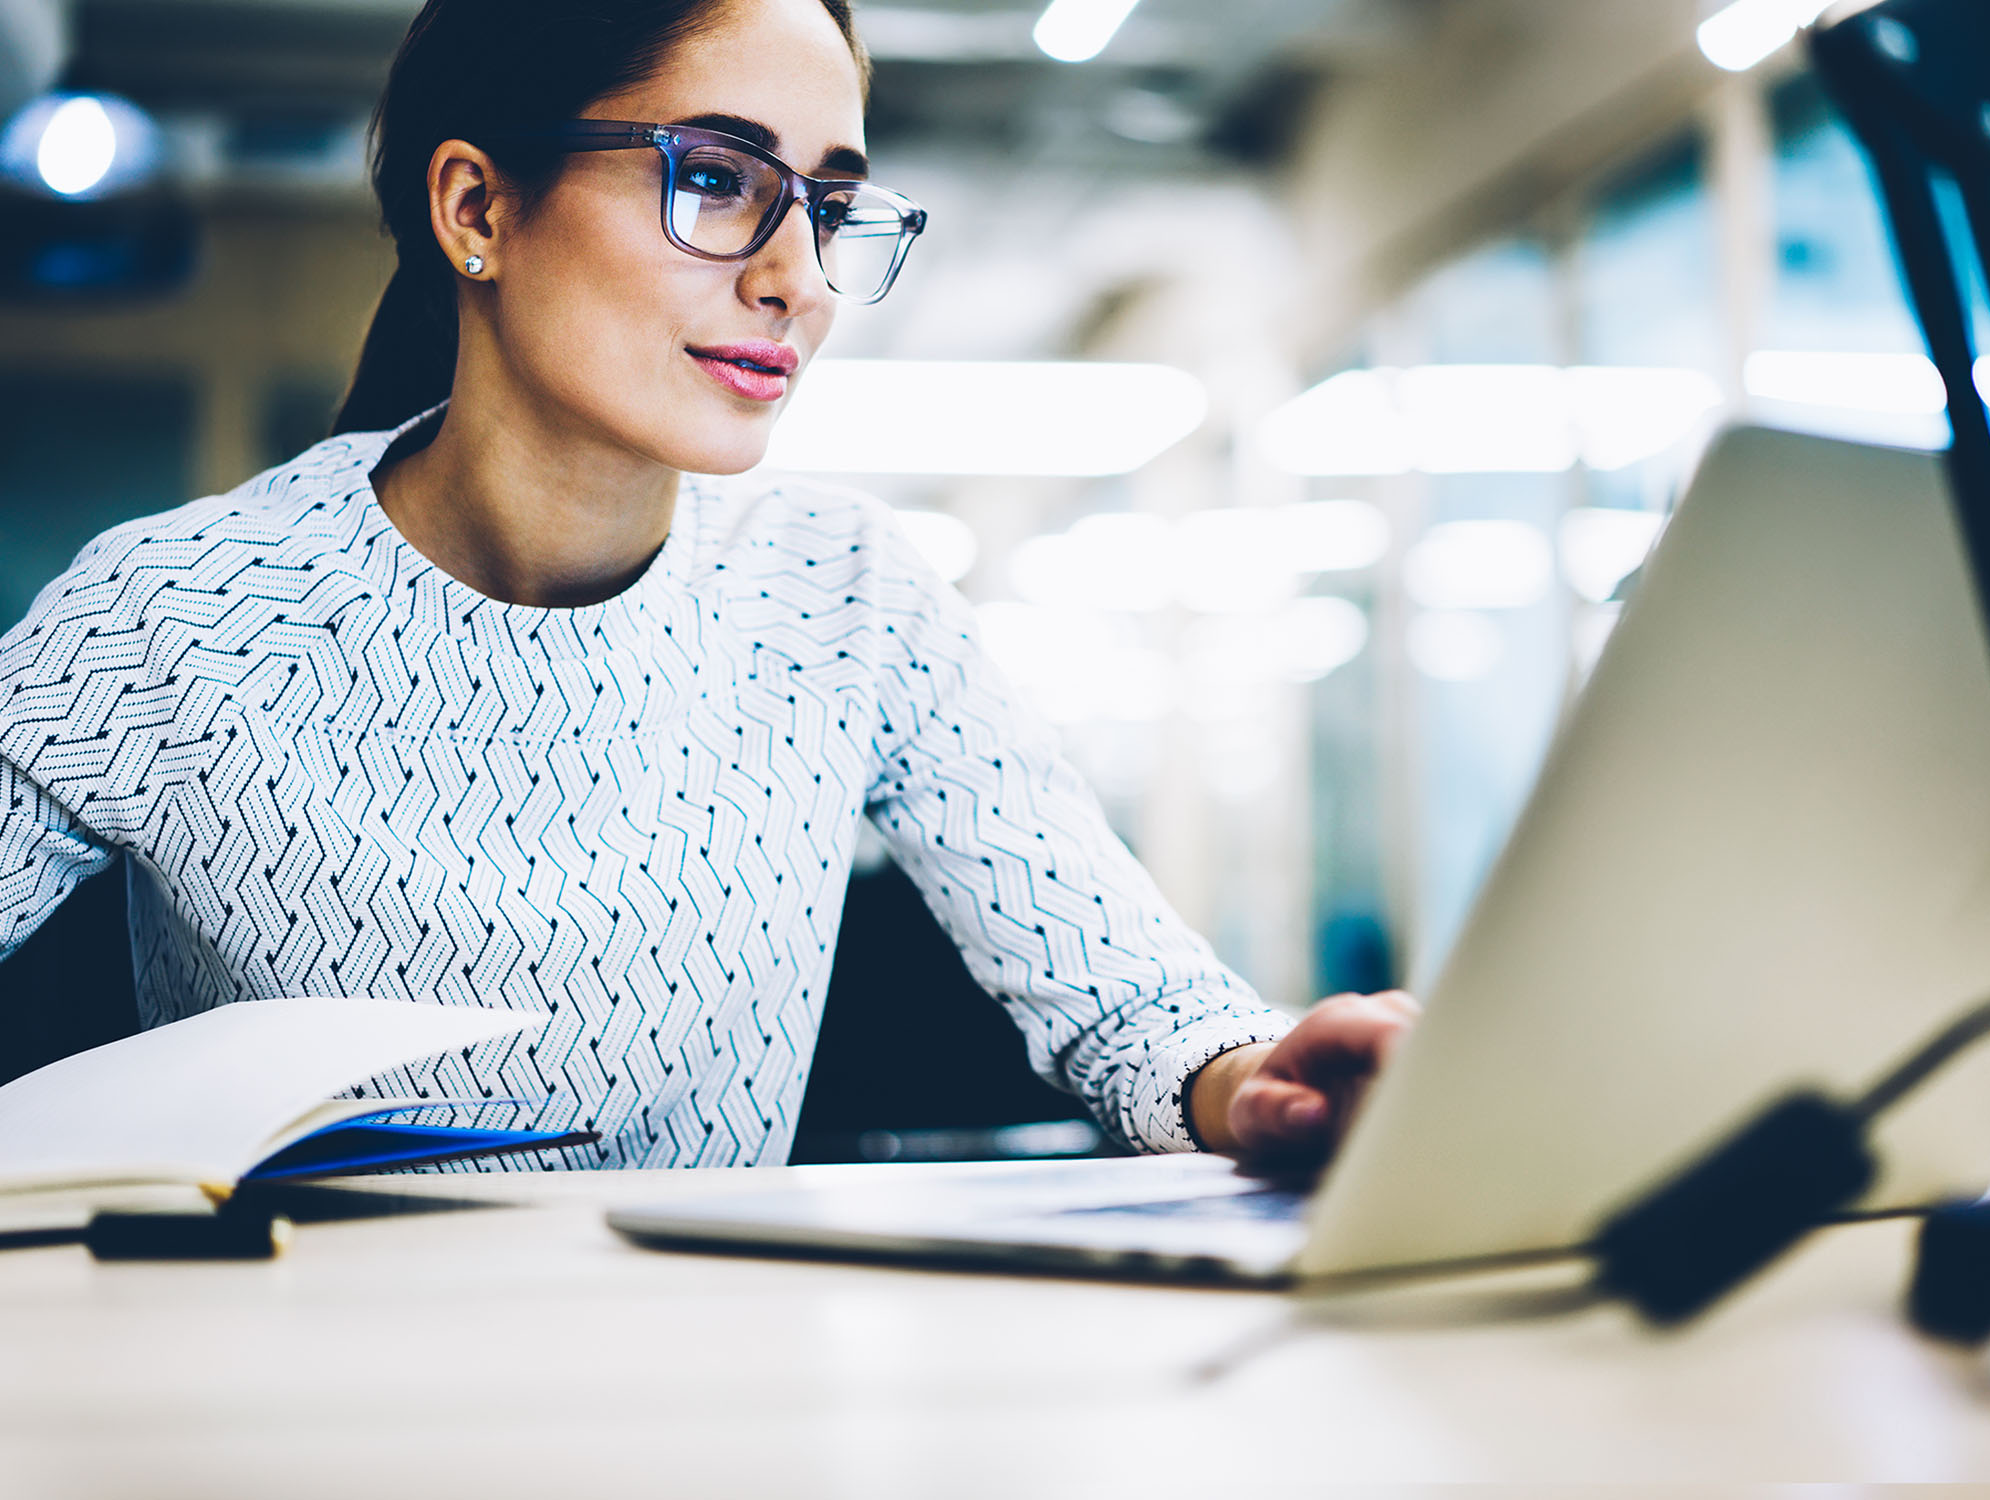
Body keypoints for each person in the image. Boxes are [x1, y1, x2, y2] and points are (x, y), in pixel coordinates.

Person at [0, 0, 1413, 1170]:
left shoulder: (848, 601)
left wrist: (1261, 1082)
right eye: (718, 178)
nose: (797, 278)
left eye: (831, 206)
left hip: (712, 1402)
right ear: (478, 206)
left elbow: (1136, 1010)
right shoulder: (169, 620)